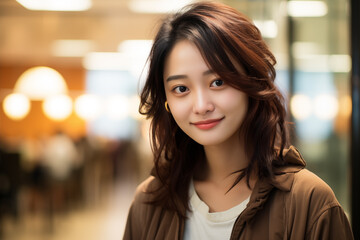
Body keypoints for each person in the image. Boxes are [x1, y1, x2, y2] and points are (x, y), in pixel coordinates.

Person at [123, 2, 354, 239]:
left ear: (251, 81)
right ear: (166, 102)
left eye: (218, 82)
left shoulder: (310, 203)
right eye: (181, 88)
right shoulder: (149, 202)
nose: (201, 106)